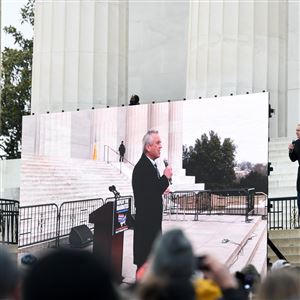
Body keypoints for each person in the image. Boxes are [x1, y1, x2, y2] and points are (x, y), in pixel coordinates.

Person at [132, 129, 172, 271]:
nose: (161, 146)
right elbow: (149, 195)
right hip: (147, 229)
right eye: (158, 143)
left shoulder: (150, 165)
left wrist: (162, 187)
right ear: (148, 147)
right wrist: (165, 177)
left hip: (152, 226)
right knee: (145, 267)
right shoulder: (142, 167)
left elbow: (150, 190)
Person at [288, 123, 300, 217]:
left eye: (298, 130)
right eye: (296, 130)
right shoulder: (295, 143)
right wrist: (291, 150)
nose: (297, 132)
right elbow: (293, 159)